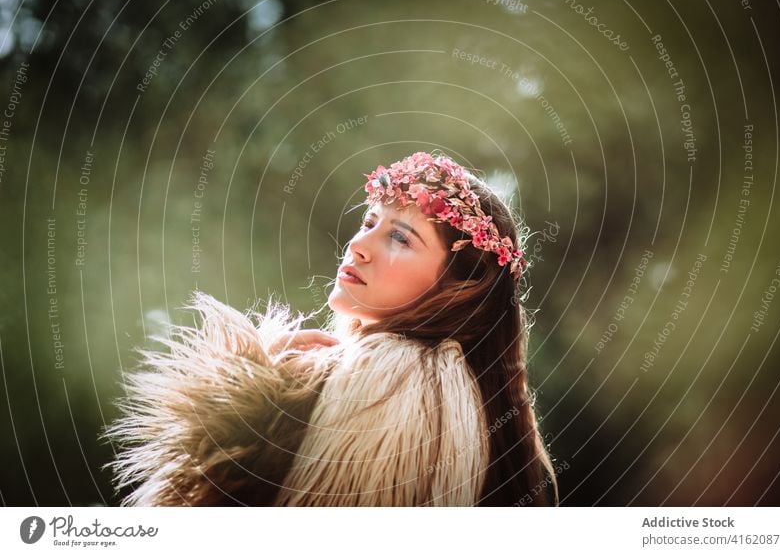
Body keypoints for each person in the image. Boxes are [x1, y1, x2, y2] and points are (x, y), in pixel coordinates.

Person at [106, 151, 558, 506]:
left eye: (400, 237)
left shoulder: (390, 387)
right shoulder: (452, 398)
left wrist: (245, 391)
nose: (358, 245)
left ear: (461, 286)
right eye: (369, 222)